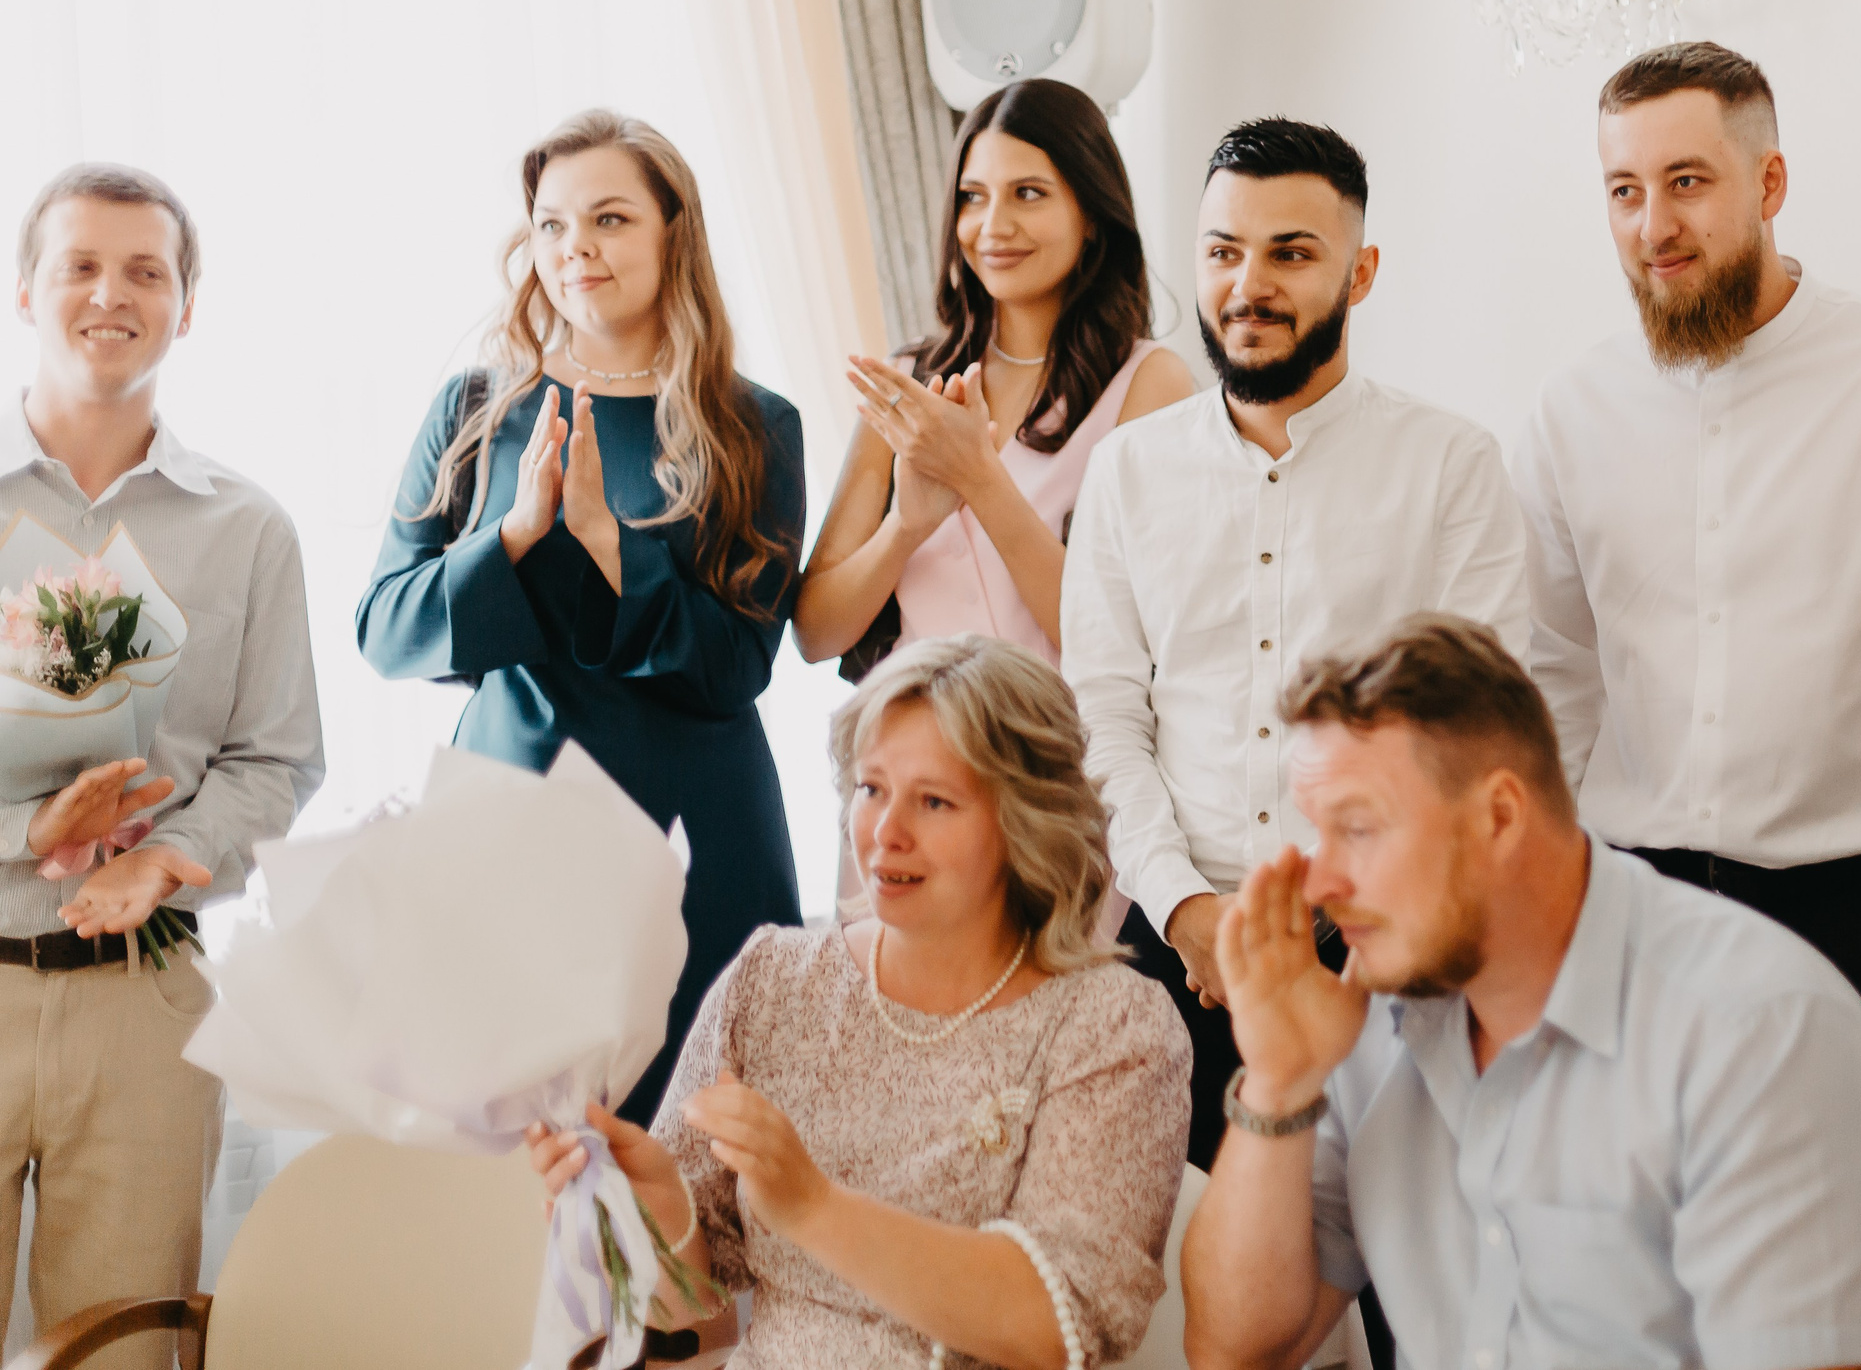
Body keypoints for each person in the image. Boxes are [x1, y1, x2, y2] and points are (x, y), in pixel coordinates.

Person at [1510, 37, 1861, 1332]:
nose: (1655, 223)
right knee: (1647, 1310)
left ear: (1771, 181)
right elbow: (1547, 683)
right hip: (1638, 926)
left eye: (1689, 180)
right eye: (1623, 189)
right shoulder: (1567, 413)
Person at [1179, 613, 1861, 1370]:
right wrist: (1278, 1080)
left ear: (1498, 817)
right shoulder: (1365, 1019)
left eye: (1359, 830)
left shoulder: (1763, 1033)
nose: (1321, 885)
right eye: (1317, 835)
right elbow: (1234, 1349)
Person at [1061, 116, 1532, 1177]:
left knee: (1413, 1291)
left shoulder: (1452, 466)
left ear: (1359, 273)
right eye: (1224, 252)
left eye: (1291, 253)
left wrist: (1345, 914)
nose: (1248, 285)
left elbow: (1477, 731)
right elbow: (1103, 712)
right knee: (1194, 1297)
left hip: (1392, 949)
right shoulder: (1127, 472)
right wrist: (1184, 907)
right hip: (1173, 956)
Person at [527, 635, 1191, 1370]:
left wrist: (815, 1206)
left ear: (1025, 822)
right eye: (872, 789)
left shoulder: (1113, 1024)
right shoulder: (773, 978)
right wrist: (656, 1208)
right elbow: (697, 1319)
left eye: (934, 800)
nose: (886, 833)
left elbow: (1058, 1326)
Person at [360, 110, 804, 1124]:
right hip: (510, 821)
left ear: (670, 236)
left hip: (699, 832)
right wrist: (510, 537)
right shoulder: (473, 407)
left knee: (698, 1166)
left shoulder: (754, 425)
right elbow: (385, 628)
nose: (576, 251)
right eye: (553, 225)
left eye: (608, 220)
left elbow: (739, 664)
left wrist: (614, 546)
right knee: (512, 1174)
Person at [0, 165, 325, 1370]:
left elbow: (278, 759)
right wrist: (28, 837)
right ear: (22, 289)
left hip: (143, 1000)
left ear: (187, 306)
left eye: (147, 270)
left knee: (127, 1349)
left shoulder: (247, 529)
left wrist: (173, 859)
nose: (110, 293)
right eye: (79, 264)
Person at [794, 77, 1191, 673]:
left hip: (1062, 756)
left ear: (1091, 216)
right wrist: (906, 525)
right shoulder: (911, 380)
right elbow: (815, 634)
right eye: (973, 197)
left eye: (1028, 193)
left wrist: (979, 478)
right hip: (912, 751)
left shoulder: (1148, 384)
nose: (992, 225)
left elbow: (1113, 635)